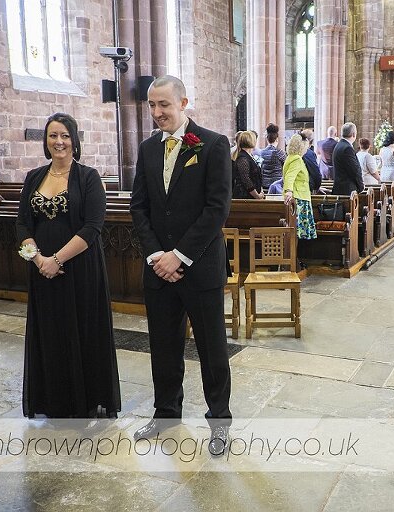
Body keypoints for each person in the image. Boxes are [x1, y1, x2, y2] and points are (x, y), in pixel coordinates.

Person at [129, 75, 232, 457]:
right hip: (159, 270)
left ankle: (219, 422)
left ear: (183, 103)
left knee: (212, 350)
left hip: (199, 268)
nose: (157, 112)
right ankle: (166, 414)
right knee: (163, 348)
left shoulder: (213, 144)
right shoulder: (147, 149)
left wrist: (180, 255)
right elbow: (139, 207)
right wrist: (158, 255)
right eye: (152, 105)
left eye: (164, 105)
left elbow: (216, 209)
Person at [16, 112, 121, 419]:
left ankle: (84, 399)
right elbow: (22, 224)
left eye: (64, 135)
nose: (59, 141)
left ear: (74, 140)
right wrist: (38, 259)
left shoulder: (88, 177)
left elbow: (93, 227)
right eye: (53, 135)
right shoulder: (34, 177)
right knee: (51, 333)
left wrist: (57, 259)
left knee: (82, 331)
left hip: (79, 269)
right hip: (42, 271)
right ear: (46, 141)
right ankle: (54, 400)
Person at [283, 134, 317, 245]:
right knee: (298, 232)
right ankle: (295, 255)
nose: (307, 149)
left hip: (299, 196)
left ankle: (295, 254)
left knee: (297, 232)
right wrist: (289, 191)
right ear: (301, 146)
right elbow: (290, 176)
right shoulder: (297, 159)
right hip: (299, 199)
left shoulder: (290, 157)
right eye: (306, 146)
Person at [331, 122, 364, 195]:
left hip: (340, 187)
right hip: (347, 189)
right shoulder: (347, 148)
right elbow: (354, 170)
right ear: (354, 134)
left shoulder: (339, 145)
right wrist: (361, 186)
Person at [231, 131, 264, 199]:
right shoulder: (243, 158)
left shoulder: (249, 155)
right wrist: (257, 195)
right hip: (244, 196)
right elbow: (246, 179)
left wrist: (261, 191)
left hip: (252, 196)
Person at [260, 123, 286, 189]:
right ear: (277, 139)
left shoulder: (262, 152)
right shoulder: (279, 152)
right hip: (277, 185)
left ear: (267, 139)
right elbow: (286, 165)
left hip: (264, 184)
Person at [300, 129, 322, 193]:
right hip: (306, 187)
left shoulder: (294, 152)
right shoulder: (308, 153)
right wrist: (317, 187)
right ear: (311, 141)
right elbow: (315, 173)